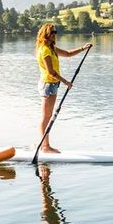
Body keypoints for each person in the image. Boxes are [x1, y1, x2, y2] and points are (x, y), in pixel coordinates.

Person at [35, 23, 91, 154]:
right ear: (46, 34)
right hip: (48, 85)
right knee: (46, 117)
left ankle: (44, 145)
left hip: (53, 85)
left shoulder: (52, 48)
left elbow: (67, 53)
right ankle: (45, 146)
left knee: (48, 116)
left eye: (56, 32)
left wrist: (83, 48)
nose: (55, 34)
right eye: (52, 32)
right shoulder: (44, 51)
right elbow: (51, 72)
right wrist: (66, 82)